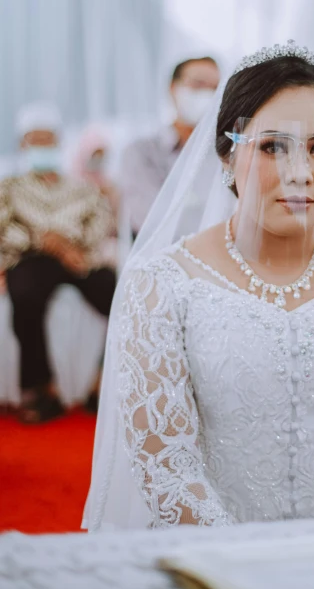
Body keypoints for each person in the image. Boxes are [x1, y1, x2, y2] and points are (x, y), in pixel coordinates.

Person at [84, 42, 314, 531]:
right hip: (210, 562)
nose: (301, 173)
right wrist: (254, 569)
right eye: (272, 147)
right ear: (226, 155)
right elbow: (167, 470)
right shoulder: (160, 285)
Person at [0, 102, 117, 423]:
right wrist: (44, 242)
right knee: (25, 294)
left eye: (48, 139)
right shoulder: (9, 188)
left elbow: (100, 224)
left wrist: (68, 247)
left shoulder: (83, 189)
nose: (42, 146)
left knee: (118, 294)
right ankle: (39, 389)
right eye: (34, 140)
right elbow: (4, 229)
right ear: (22, 144)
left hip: (79, 259)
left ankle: (104, 382)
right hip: (31, 260)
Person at [120, 56, 220, 236]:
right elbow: (147, 217)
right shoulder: (142, 152)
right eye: (198, 85)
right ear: (173, 88)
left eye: (214, 89)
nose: (207, 95)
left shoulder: (225, 152)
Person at [71, 124, 119, 269]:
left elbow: (116, 219)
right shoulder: (72, 183)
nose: (97, 160)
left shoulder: (108, 183)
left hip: (107, 240)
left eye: (101, 155)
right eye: (94, 155)